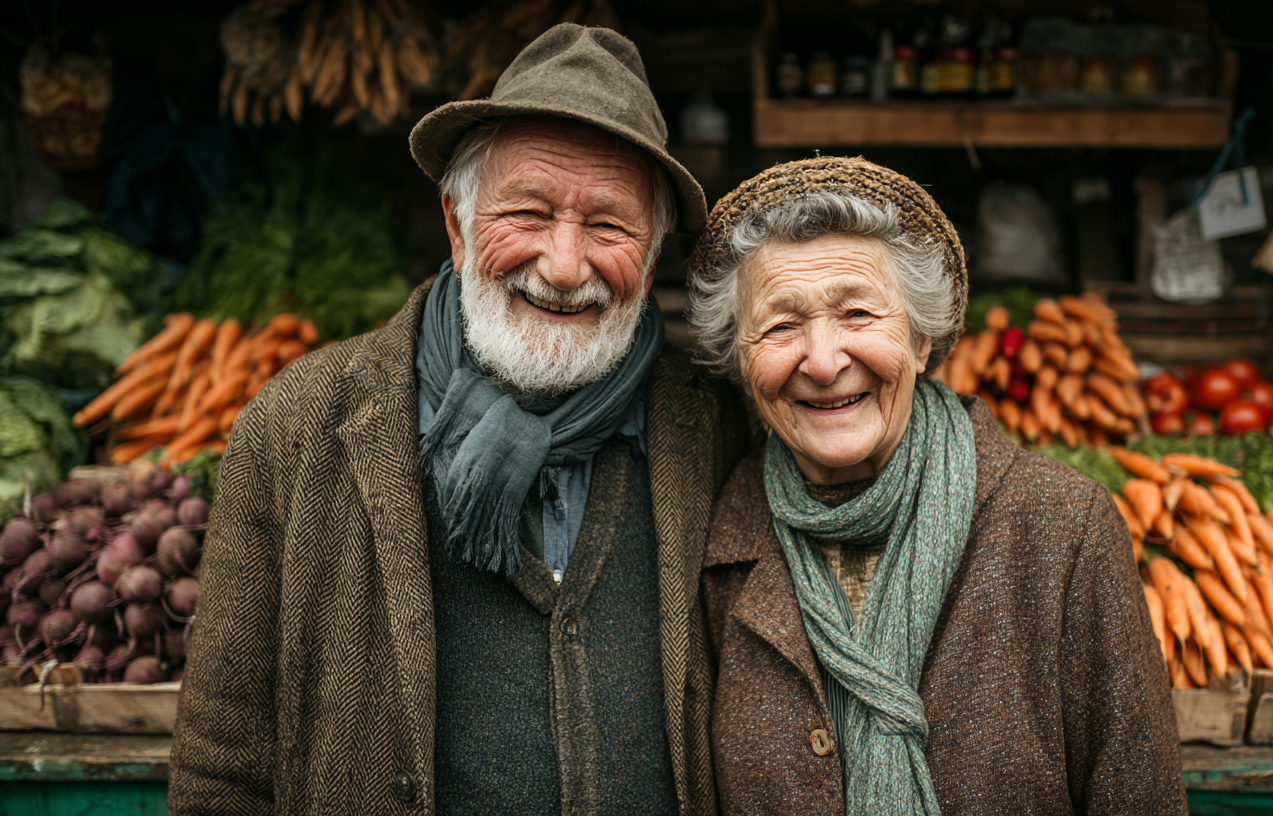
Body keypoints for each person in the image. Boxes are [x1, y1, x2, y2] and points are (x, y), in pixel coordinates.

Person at [169, 25, 750, 815]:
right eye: (529, 212)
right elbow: (221, 764)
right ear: (457, 224)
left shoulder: (717, 431)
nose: (565, 264)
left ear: (651, 263)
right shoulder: (298, 428)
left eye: (609, 226)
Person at [687, 157, 1186, 815]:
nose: (824, 360)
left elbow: (1139, 796)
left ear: (922, 340)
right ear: (741, 360)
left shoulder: (1060, 527)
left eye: (859, 313)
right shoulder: (717, 540)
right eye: (781, 326)